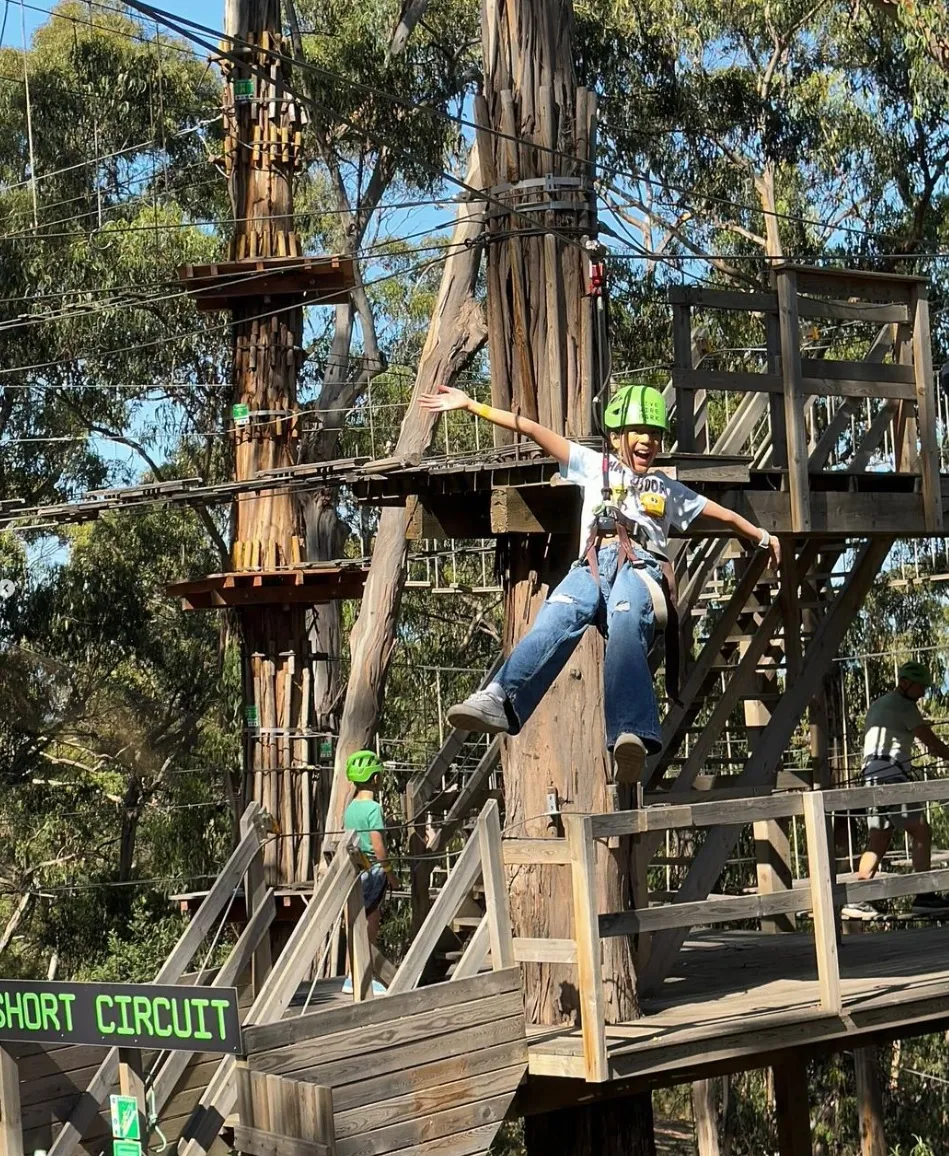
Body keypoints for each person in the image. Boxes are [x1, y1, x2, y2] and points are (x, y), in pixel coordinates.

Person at [420, 382, 781, 784]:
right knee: (555, 617)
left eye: (656, 435)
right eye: (640, 433)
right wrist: (471, 405)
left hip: (638, 567)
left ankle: (631, 732)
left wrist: (762, 536)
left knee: (626, 624)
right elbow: (534, 430)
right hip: (590, 563)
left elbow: (724, 516)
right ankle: (500, 699)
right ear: (615, 438)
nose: (649, 442)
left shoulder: (667, 489)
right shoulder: (595, 466)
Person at [842, 661, 949, 920]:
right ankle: (924, 896)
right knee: (922, 830)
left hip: (871, 777)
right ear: (907, 683)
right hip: (891, 778)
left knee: (879, 837)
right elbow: (930, 742)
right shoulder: (905, 707)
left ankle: (858, 898)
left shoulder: (878, 704)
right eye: (921, 687)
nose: (923, 693)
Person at [342, 749, 399, 994]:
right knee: (371, 922)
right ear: (375, 778)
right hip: (374, 870)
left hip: (355, 870)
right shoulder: (374, 808)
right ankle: (363, 975)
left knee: (356, 921)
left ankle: (349, 976)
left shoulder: (350, 808)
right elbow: (378, 846)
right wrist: (391, 874)